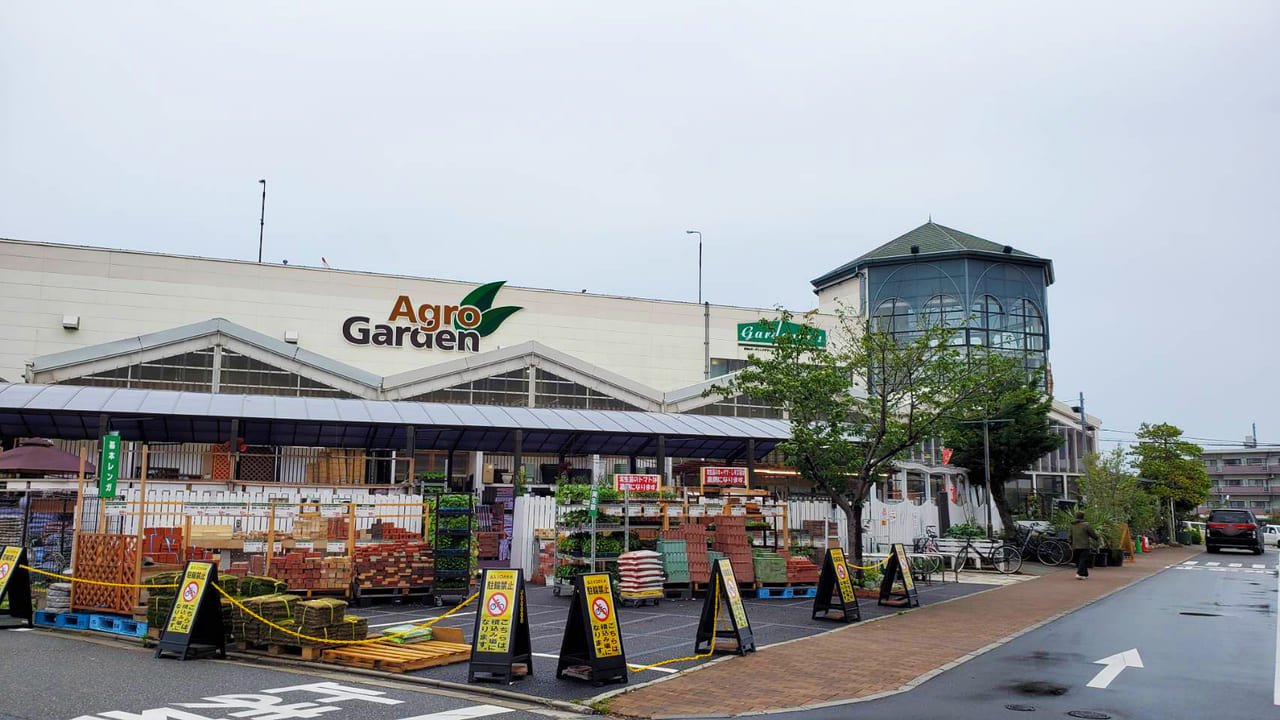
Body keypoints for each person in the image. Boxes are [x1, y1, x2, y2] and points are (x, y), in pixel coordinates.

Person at [1069, 510, 1100, 579]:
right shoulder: (1086, 525)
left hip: (1075, 545)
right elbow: (1092, 533)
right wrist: (1096, 538)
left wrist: (1070, 543)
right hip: (1084, 545)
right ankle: (1079, 573)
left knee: (1081, 560)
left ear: (1076, 516)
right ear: (1083, 517)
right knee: (1083, 560)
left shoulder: (1072, 525)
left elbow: (1070, 535)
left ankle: (1085, 574)